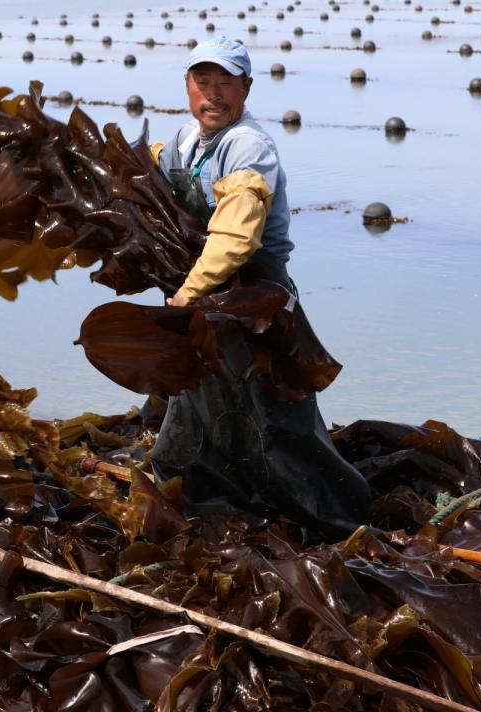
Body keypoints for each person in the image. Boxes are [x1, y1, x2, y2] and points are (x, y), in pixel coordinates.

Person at [148, 37, 372, 539]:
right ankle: (208, 503)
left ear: (246, 87)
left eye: (226, 82)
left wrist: (190, 291)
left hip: (256, 297)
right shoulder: (183, 140)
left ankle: (338, 519)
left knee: (279, 417)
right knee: (196, 406)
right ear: (186, 86)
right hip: (210, 300)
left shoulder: (249, 147)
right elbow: (148, 182)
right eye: (202, 82)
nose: (214, 94)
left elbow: (236, 234)